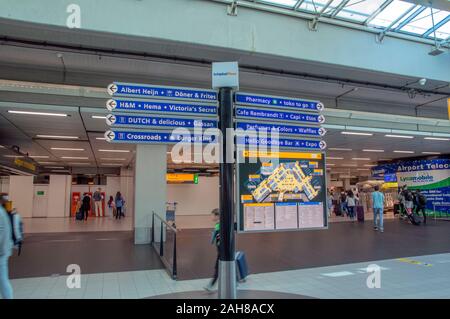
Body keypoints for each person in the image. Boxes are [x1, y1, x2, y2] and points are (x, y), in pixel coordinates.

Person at [0, 195, 13, 299]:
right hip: (4, 251)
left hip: (1, 252)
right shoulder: (3, 212)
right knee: (3, 280)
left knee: (3, 280)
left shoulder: (1, 212)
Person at [205, 208, 220, 292]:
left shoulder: (219, 225)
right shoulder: (218, 225)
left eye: (212, 215)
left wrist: (213, 237)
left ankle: (211, 285)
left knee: (217, 267)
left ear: (217, 216)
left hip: (222, 251)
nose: (211, 217)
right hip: (220, 250)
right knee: (218, 267)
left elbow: (215, 237)